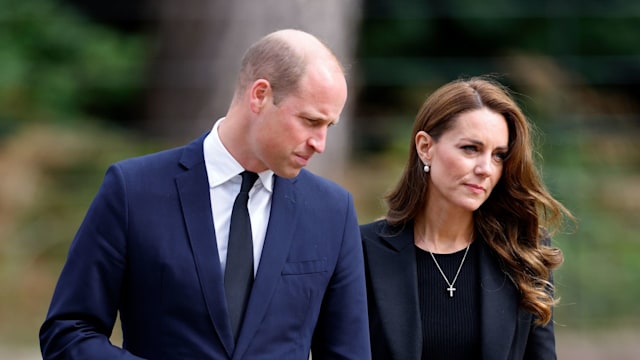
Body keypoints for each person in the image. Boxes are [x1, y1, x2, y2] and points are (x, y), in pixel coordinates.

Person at [40, 29, 371, 359]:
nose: (320, 143)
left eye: (329, 126)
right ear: (260, 95)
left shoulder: (333, 211)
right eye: (310, 120)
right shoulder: (133, 190)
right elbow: (68, 332)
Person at [360, 76, 574, 359]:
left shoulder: (523, 252)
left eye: (499, 155)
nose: (486, 168)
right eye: (470, 149)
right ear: (426, 147)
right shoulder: (362, 250)